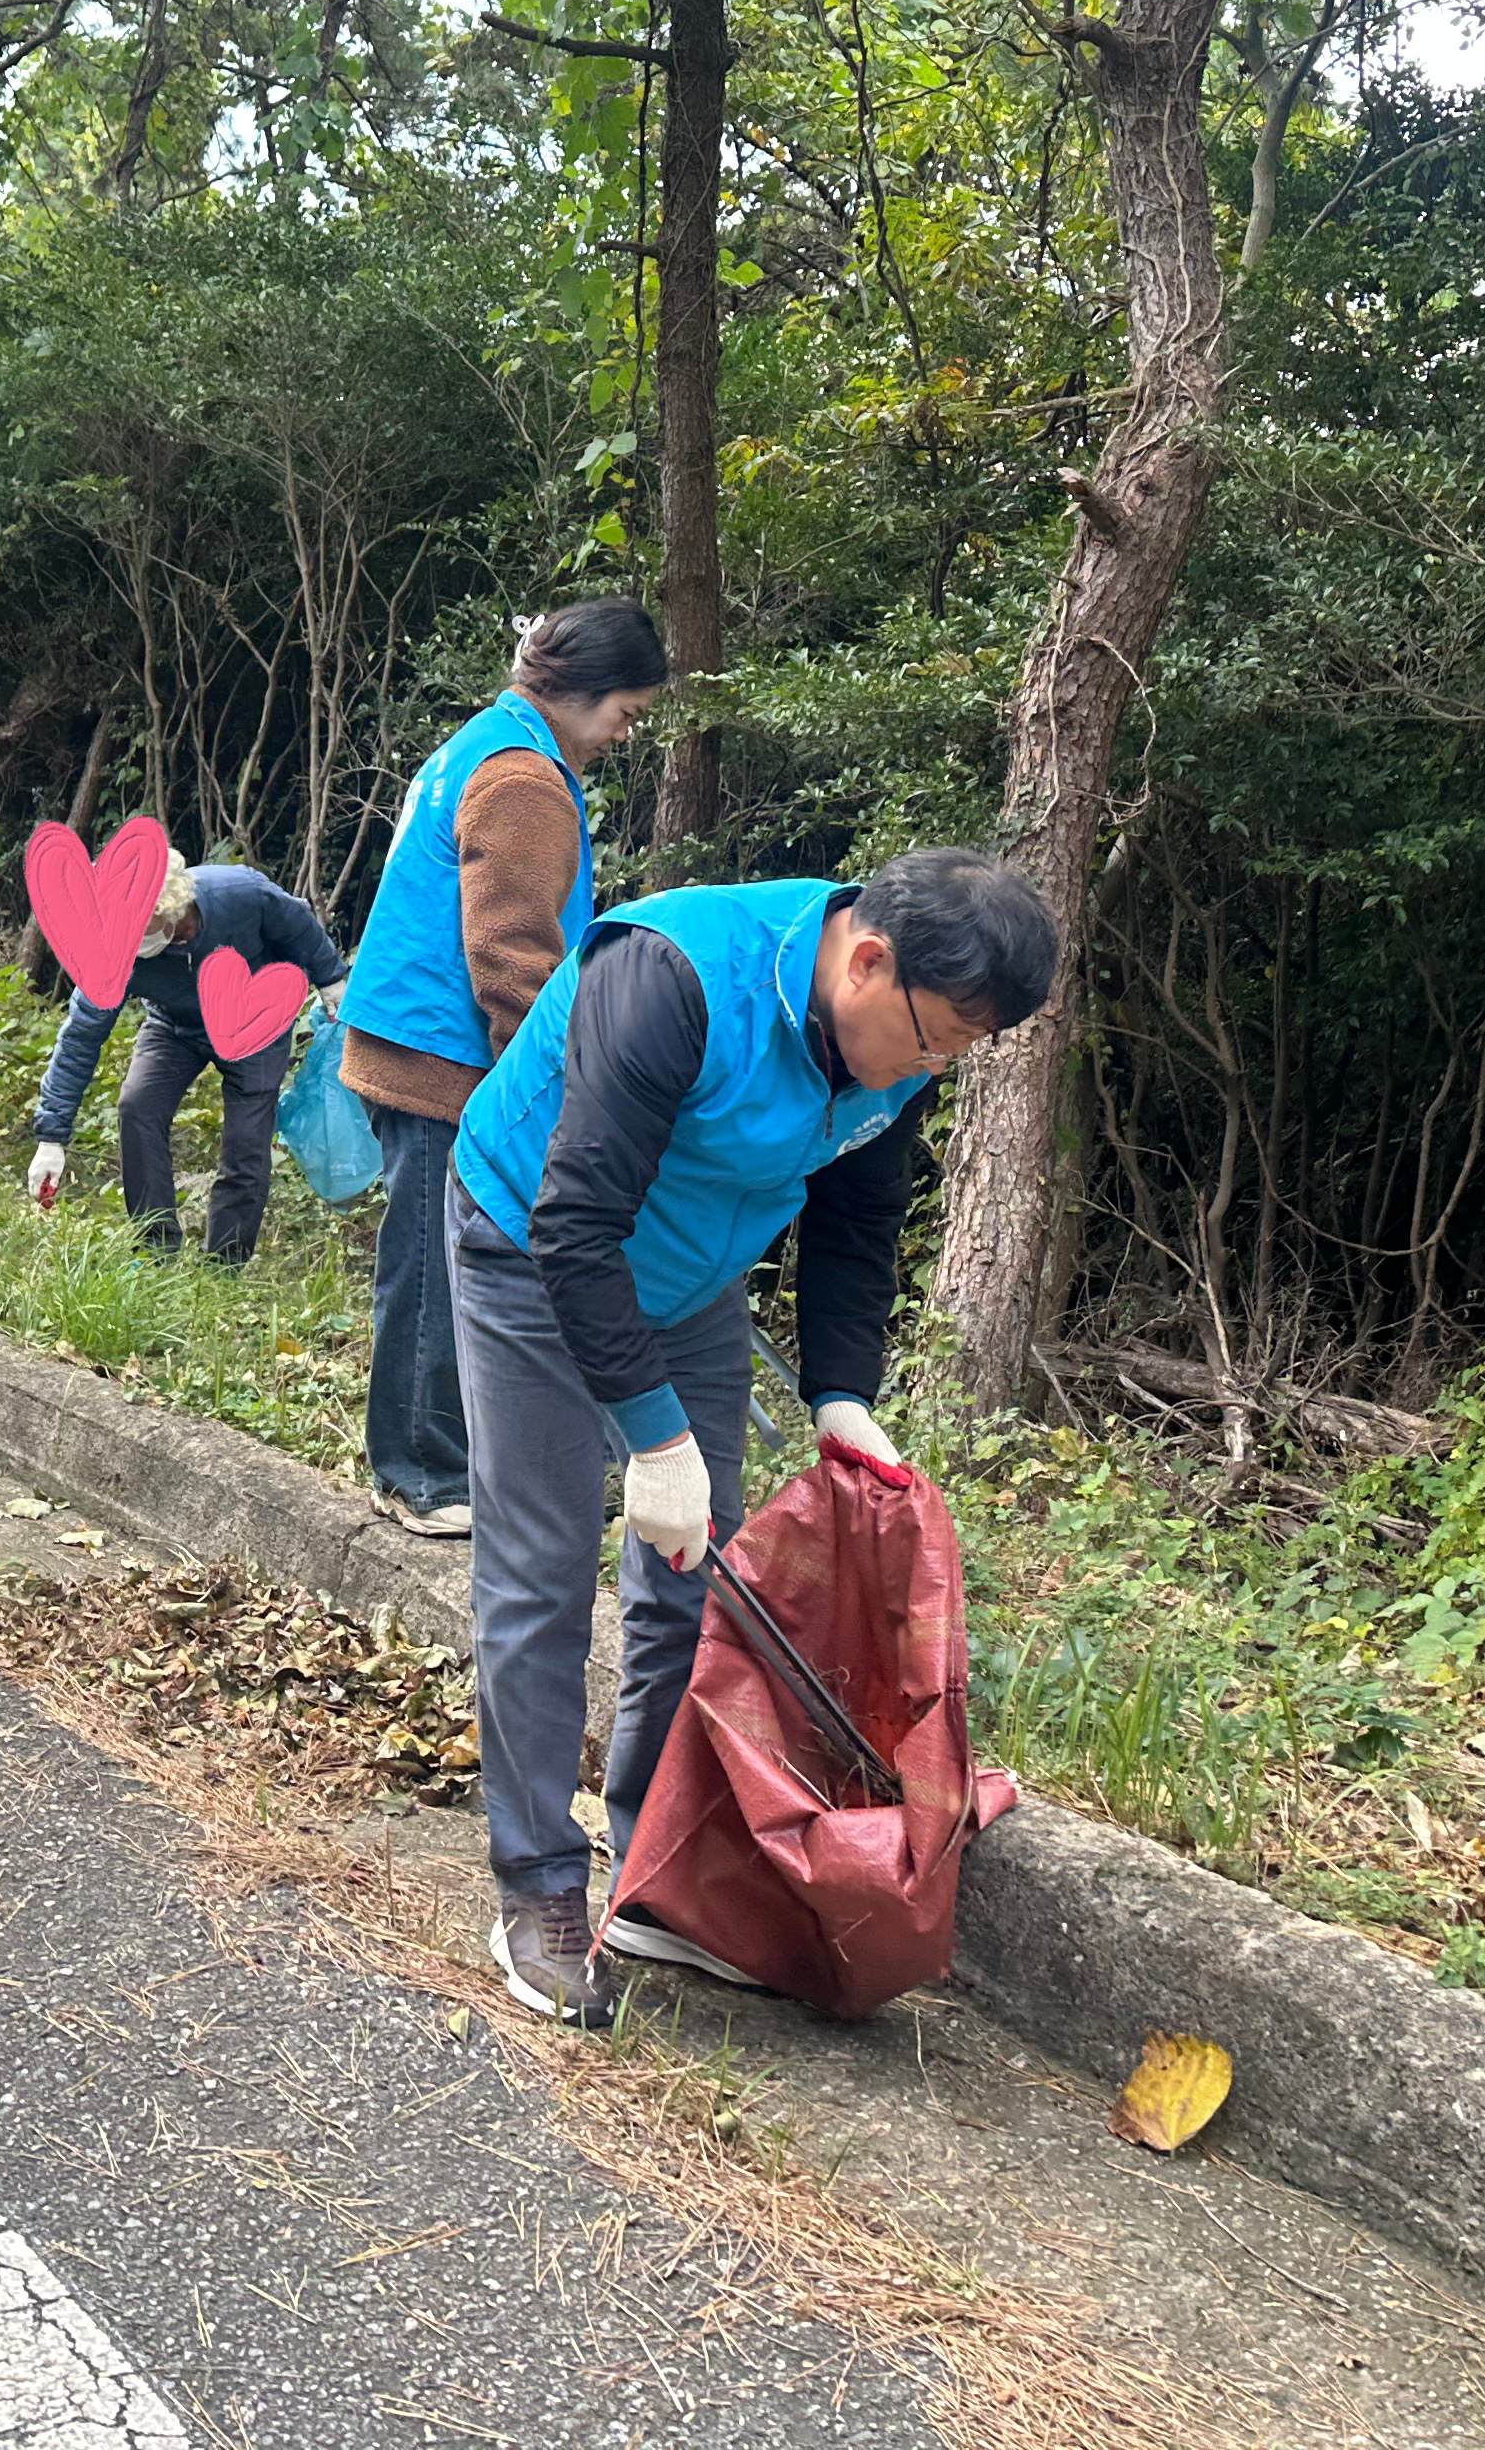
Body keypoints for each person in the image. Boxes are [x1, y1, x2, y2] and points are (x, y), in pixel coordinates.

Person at [447, 847, 1058, 2026]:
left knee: (692, 1582)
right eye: (933, 1042)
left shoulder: (896, 1043)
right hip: (532, 1242)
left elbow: (858, 1221)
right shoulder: (671, 977)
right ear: (867, 962)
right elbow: (576, 1224)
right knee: (542, 1572)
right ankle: (537, 1888)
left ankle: (654, 1875)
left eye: (958, 1053)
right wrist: (653, 1440)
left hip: (690, 1280)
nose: (933, 1070)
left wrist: (841, 1394)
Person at [338, 601, 671, 1538]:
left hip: (415, 1041)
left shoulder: (484, 741)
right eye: (627, 714)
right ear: (581, 691)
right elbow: (514, 952)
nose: (624, 735)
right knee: (435, 1274)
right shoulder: (525, 778)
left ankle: (465, 1460)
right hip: (445, 1058)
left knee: (440, 1262)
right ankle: (421, 1474)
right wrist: (555, 1085)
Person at [24, 853, 349, 1263]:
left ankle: (224, 1265)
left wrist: (330, 978)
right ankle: (156, 1250)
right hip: (174, 1027)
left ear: (169, 911)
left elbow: (296, 923)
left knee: (247, 1143)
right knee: (137, 1106)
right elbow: (79, 1038)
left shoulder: (238, 894)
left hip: (255, 1022)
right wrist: (51, 1137)